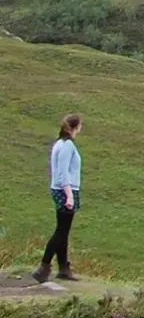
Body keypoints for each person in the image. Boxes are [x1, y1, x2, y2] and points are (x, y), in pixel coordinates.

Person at [34, 114, 83, 284]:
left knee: (63, 230)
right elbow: (62, 172)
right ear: (76, 127)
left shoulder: (59, 143)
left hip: (60, 189)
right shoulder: (67, 146)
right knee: (61, 232)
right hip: (65, 190)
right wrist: (69, 195)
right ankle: (44, 266)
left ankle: (63, 268)